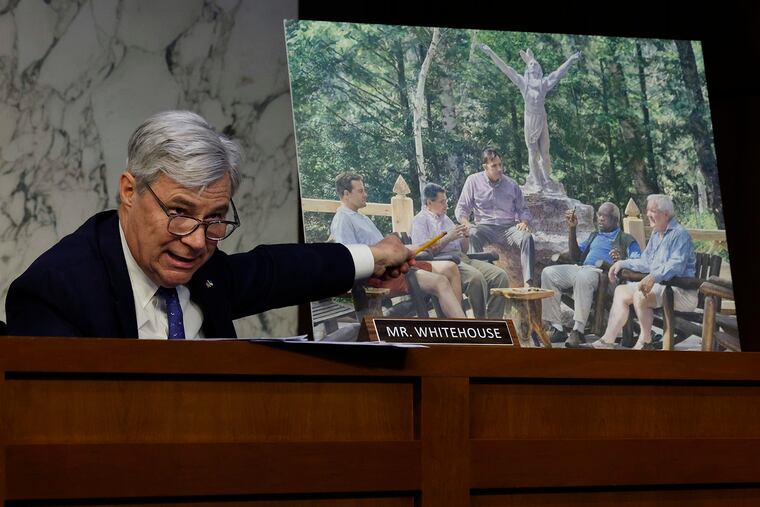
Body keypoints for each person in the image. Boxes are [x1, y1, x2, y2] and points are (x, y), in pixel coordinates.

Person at [5, 111, 414, 339]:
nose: (198, 242)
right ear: (130, 190)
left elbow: (279, 271)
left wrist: (375, 257)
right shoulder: (55, 291)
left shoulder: (207, 272)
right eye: (179, 212)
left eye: (215, 218)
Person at [330, 172, 465, 319]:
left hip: (395, 265)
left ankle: (455, 321)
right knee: (440, 281)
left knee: (450, 267)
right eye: (361, 191)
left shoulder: (361, 217)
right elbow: (351, 260)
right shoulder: (343, 219)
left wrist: (406, 250)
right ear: (346, 194)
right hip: (381, 275)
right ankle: (460, 326)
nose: (365, 194)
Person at [592, 195, 697, 350]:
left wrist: (653, 277)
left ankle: (645, 342)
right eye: (647, 210)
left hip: (681, 292)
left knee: (640, 295)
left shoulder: (680, 234)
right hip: (662, 287)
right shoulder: (656, 234)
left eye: (652, 211)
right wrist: (622, 263)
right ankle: (608, 340)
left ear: (666, 214)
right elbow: (645, 262)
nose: (647, 214)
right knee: (621, 291)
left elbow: (676, 266)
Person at [479, 44, 580, 194]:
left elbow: (558, 73)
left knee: (545, 153)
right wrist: (490, 52)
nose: (532, 65)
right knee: (533, 153)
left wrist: (571, 60)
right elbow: (505, 68)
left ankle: (546, 179)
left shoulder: (543, 83)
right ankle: (536, 182)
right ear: (527, 68)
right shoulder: (523, 82)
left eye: (535, 64)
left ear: (539, 69)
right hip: (530, 119)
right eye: (530, 64)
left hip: (541, 118)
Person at [541, 202, 641, 347]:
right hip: (583, 269)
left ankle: (578, 330)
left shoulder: (626, 239)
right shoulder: (594, 236)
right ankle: (557, 328)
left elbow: (637, 261)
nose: (600, 218)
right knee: (548, 273)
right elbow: (576, 255)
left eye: (605, 216)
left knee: (584, 276)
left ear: (615, 220)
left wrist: (621, 261)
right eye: (599, 215)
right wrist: (572, 229)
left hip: (605, 276)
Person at [411, 183, 508, 319]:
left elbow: (463, 249)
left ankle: (493, 321)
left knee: (500, 276)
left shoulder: (445, 219)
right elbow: (423, 252)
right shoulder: (420, 221)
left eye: (446, 201)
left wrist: (465, 236)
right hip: (445, 262)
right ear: (429, 203)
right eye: (442, 202)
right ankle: (481, 322)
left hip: (462, 258)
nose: (446, 205)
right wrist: (448, 238)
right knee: (476, 278)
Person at [455, 148, 536, 286]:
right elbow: (461, 209)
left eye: (500, 164)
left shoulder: (511, 184)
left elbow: (523, 210)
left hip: (508, 228)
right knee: (473, 233)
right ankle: (481, 280)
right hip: (484, 227)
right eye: (494, 166)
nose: (499, 169)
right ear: (485, 167)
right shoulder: (473, 181)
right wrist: (466, 223)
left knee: (527, 237)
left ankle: (528, 282)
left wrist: (524, 222)